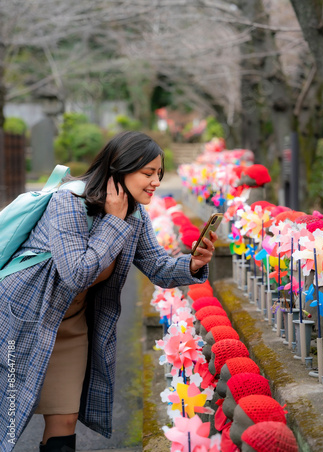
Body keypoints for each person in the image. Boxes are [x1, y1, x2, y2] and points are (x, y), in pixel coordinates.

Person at [0, 131, 217, 452]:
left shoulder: (135, 213)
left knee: (64, 418)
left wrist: (193, 264)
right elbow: (77, 273)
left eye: (159, 173)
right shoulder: (69, 204)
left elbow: (156, 265)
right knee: (8, 412)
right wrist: (114, 221)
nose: (156, 181)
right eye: (147, 173)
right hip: (22, 320)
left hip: (71, 327)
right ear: (119, 168)